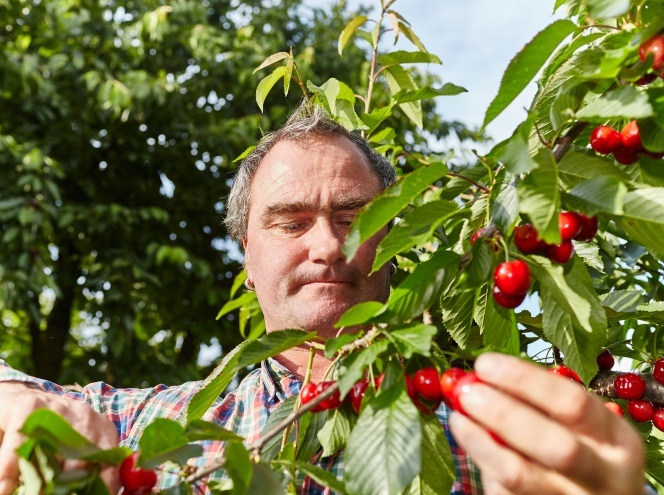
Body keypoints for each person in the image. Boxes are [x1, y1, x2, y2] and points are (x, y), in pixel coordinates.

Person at [0, 103, 649, 495]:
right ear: (247, 261)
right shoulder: (146, 436)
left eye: (352, 215)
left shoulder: (492, 445)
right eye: (288, 221)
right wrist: (18, 406)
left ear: (393, 241)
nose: (328, 246)